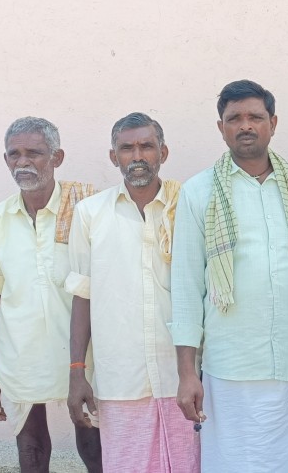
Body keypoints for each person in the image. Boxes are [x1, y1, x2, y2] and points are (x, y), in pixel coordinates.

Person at [170, 80, 288, 472]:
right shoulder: (198, 191)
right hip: (230, 367)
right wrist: (187, 373)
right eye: (234, 118)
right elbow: (187, 288)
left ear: (272, 123)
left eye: (255, 117)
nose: (245, 125)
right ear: (220, 128)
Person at [65, 112, 196, 472]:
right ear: (114, 157)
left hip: (182, 375)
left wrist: (194, 371)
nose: (137, 156)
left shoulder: (187, 207)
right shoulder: (90, 213)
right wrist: (77, 372)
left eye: (146, 146)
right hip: (120, 377)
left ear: (163, 153)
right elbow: (82, 295)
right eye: (127, 148)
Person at [0, 117, 101, 471]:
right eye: (14, 154)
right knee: (30, 445)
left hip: (84, 350)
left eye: (34, 153)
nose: (23, 162)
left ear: (57, 157)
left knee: (93, 440)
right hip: (20, 350)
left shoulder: (85, 209)